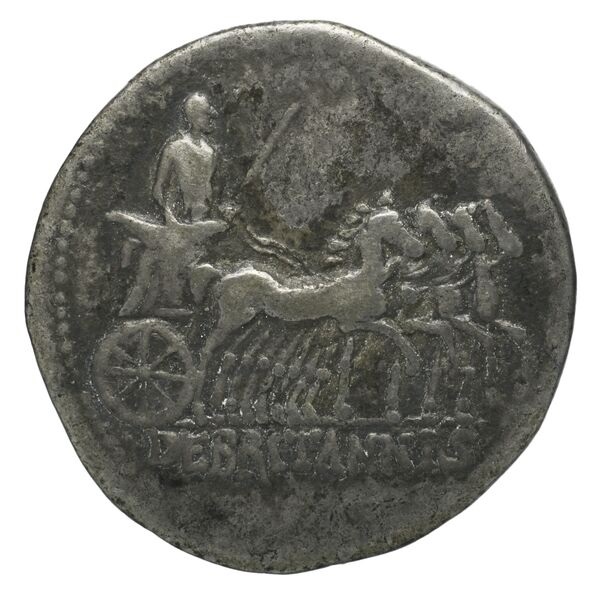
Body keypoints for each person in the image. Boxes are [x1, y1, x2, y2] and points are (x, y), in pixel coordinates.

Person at [153, 93, 217, 221]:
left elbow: (208, 187)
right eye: (206, 114)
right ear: (195, 116)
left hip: (203, 214)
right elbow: (158, 188)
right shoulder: (174, 147)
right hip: (177, 215)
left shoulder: (210, 152)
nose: (210, 119)